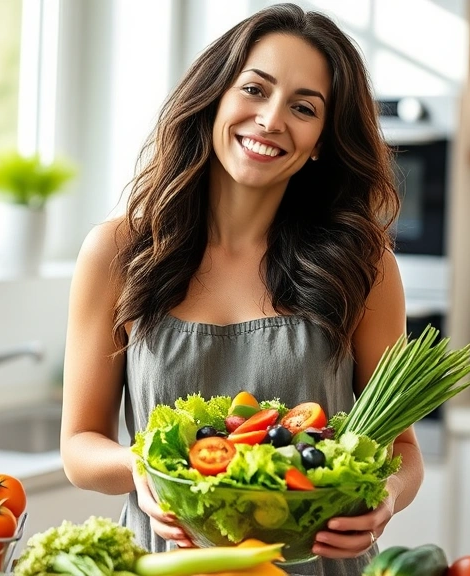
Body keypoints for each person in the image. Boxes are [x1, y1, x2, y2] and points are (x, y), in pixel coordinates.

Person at [60, 4, 424, 575]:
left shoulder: (363, 265)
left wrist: (384, 499)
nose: (271, 119)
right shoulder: (118, 252)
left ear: (323, 140)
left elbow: (400, 452)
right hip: (166, 564)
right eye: (255, 89)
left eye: (304, 107)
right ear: (215, 96)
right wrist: (145, 468)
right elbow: (79, 445)